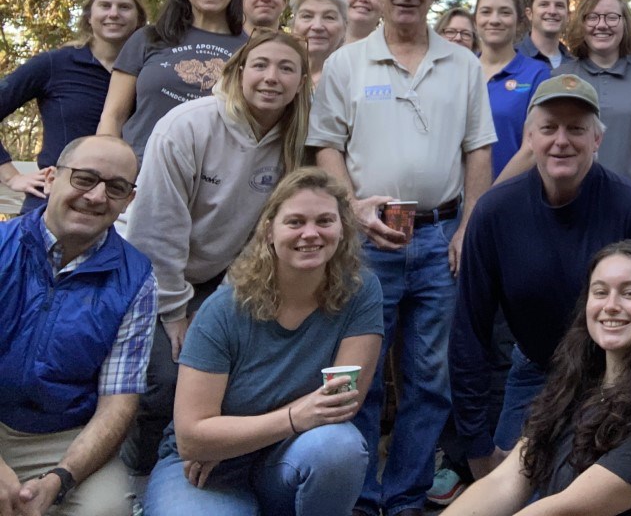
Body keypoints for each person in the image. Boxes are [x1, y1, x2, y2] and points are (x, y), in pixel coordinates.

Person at [451, 75, 631, 482]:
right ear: (530, 136)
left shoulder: (630, 207)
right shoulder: (495, 213)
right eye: (549, 128)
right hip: (540, 369)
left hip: (628, 368)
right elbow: (468, 334)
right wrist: (476, 447)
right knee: (513, 491)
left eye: (576, 129)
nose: (561, 141)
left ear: (597, 140)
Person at [308, 0, 495, 516]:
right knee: (356, 373)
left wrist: (468, 226)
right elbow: (325, 147)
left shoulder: (462, 64)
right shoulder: (346, 62)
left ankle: (408, 496)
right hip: (366, 238)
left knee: (429, 378)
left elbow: (478, 152)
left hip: (440, 236)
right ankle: (358, 497)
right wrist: (354, 207)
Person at [121, 31, 312, 474]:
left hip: (223, 275)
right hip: (152, 274)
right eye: (261, 65)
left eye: (287, 68)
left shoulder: (296, 140)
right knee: (167, 379)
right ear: (239, 71)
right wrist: (174, 314)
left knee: (233, 370)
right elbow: (156, 230)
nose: (272, 77)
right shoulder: (188, 125)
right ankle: (141, 474)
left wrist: (225, 298)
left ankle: (213, 464)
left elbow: (262, 234)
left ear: (301, 82)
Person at [144, 168, 384, 515]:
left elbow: (340, 405)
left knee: (339, 447)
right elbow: (192, 437)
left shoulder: (360, 292)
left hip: (289, 457)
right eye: (295, 222)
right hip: (210, 470)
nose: (311, 233)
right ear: (269, 230)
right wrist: (293, 417)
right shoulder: (225, 308)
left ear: (342, 228)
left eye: (325, 221)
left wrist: (237, 438)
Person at [451, 241, 631, 516]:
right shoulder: (578, 383)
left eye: (630, 293)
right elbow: (503, 481)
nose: (611, 305)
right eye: (600, 292)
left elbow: (566, 509)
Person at [0, 135, 157, 516]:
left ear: (128, 200)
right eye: (84, 179)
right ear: (51, 178)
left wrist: (60, 479)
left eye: (116, 187)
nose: (97, 197)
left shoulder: (136, 279)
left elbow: (117, 402)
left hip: (65, 436)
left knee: (106, 510)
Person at [500, 0, 631, 210]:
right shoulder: (557, 79)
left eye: (612, 17)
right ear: (581, 23)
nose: (602, 25)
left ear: (624, 24)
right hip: (568, 208)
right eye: (593, 17)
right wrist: (491, 199)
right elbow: (532, 148)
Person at [0, 0, 147, 213]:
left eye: (124, 7)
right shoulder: (55, 64)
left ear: (139, 19)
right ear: (89, 16)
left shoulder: (150, 75)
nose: (114, 13)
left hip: (121, 205)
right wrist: (11, 177)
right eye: (105, 6)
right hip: (53, 203)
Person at [99, 0, 247, 162]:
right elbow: (113, 116)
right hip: (140, 168)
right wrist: (106, 168)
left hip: (215, 175)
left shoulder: (249, 49)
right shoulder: (148, 38)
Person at [475, 0, 550, 177]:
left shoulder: (536, 74)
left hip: (512, 197)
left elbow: (533, 147)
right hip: (455, 202)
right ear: (476, 20)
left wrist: (491, 198)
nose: (494, 20)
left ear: (519, 21)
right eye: (486, 12)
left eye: (505, 12)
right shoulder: (460, 71)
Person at [288, 0, 347, 85]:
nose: (317, 26)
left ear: (345, 27)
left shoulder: (356, 76)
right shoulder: (278, 73)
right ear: (293, 26)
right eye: (307, 16)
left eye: (329, 17)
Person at [516, 0, 571, 68]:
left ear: (568, 15)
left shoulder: (576, 65)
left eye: (559, 5)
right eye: (544, 4)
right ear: (529, 14)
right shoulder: (510, 59)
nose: (552, 11)